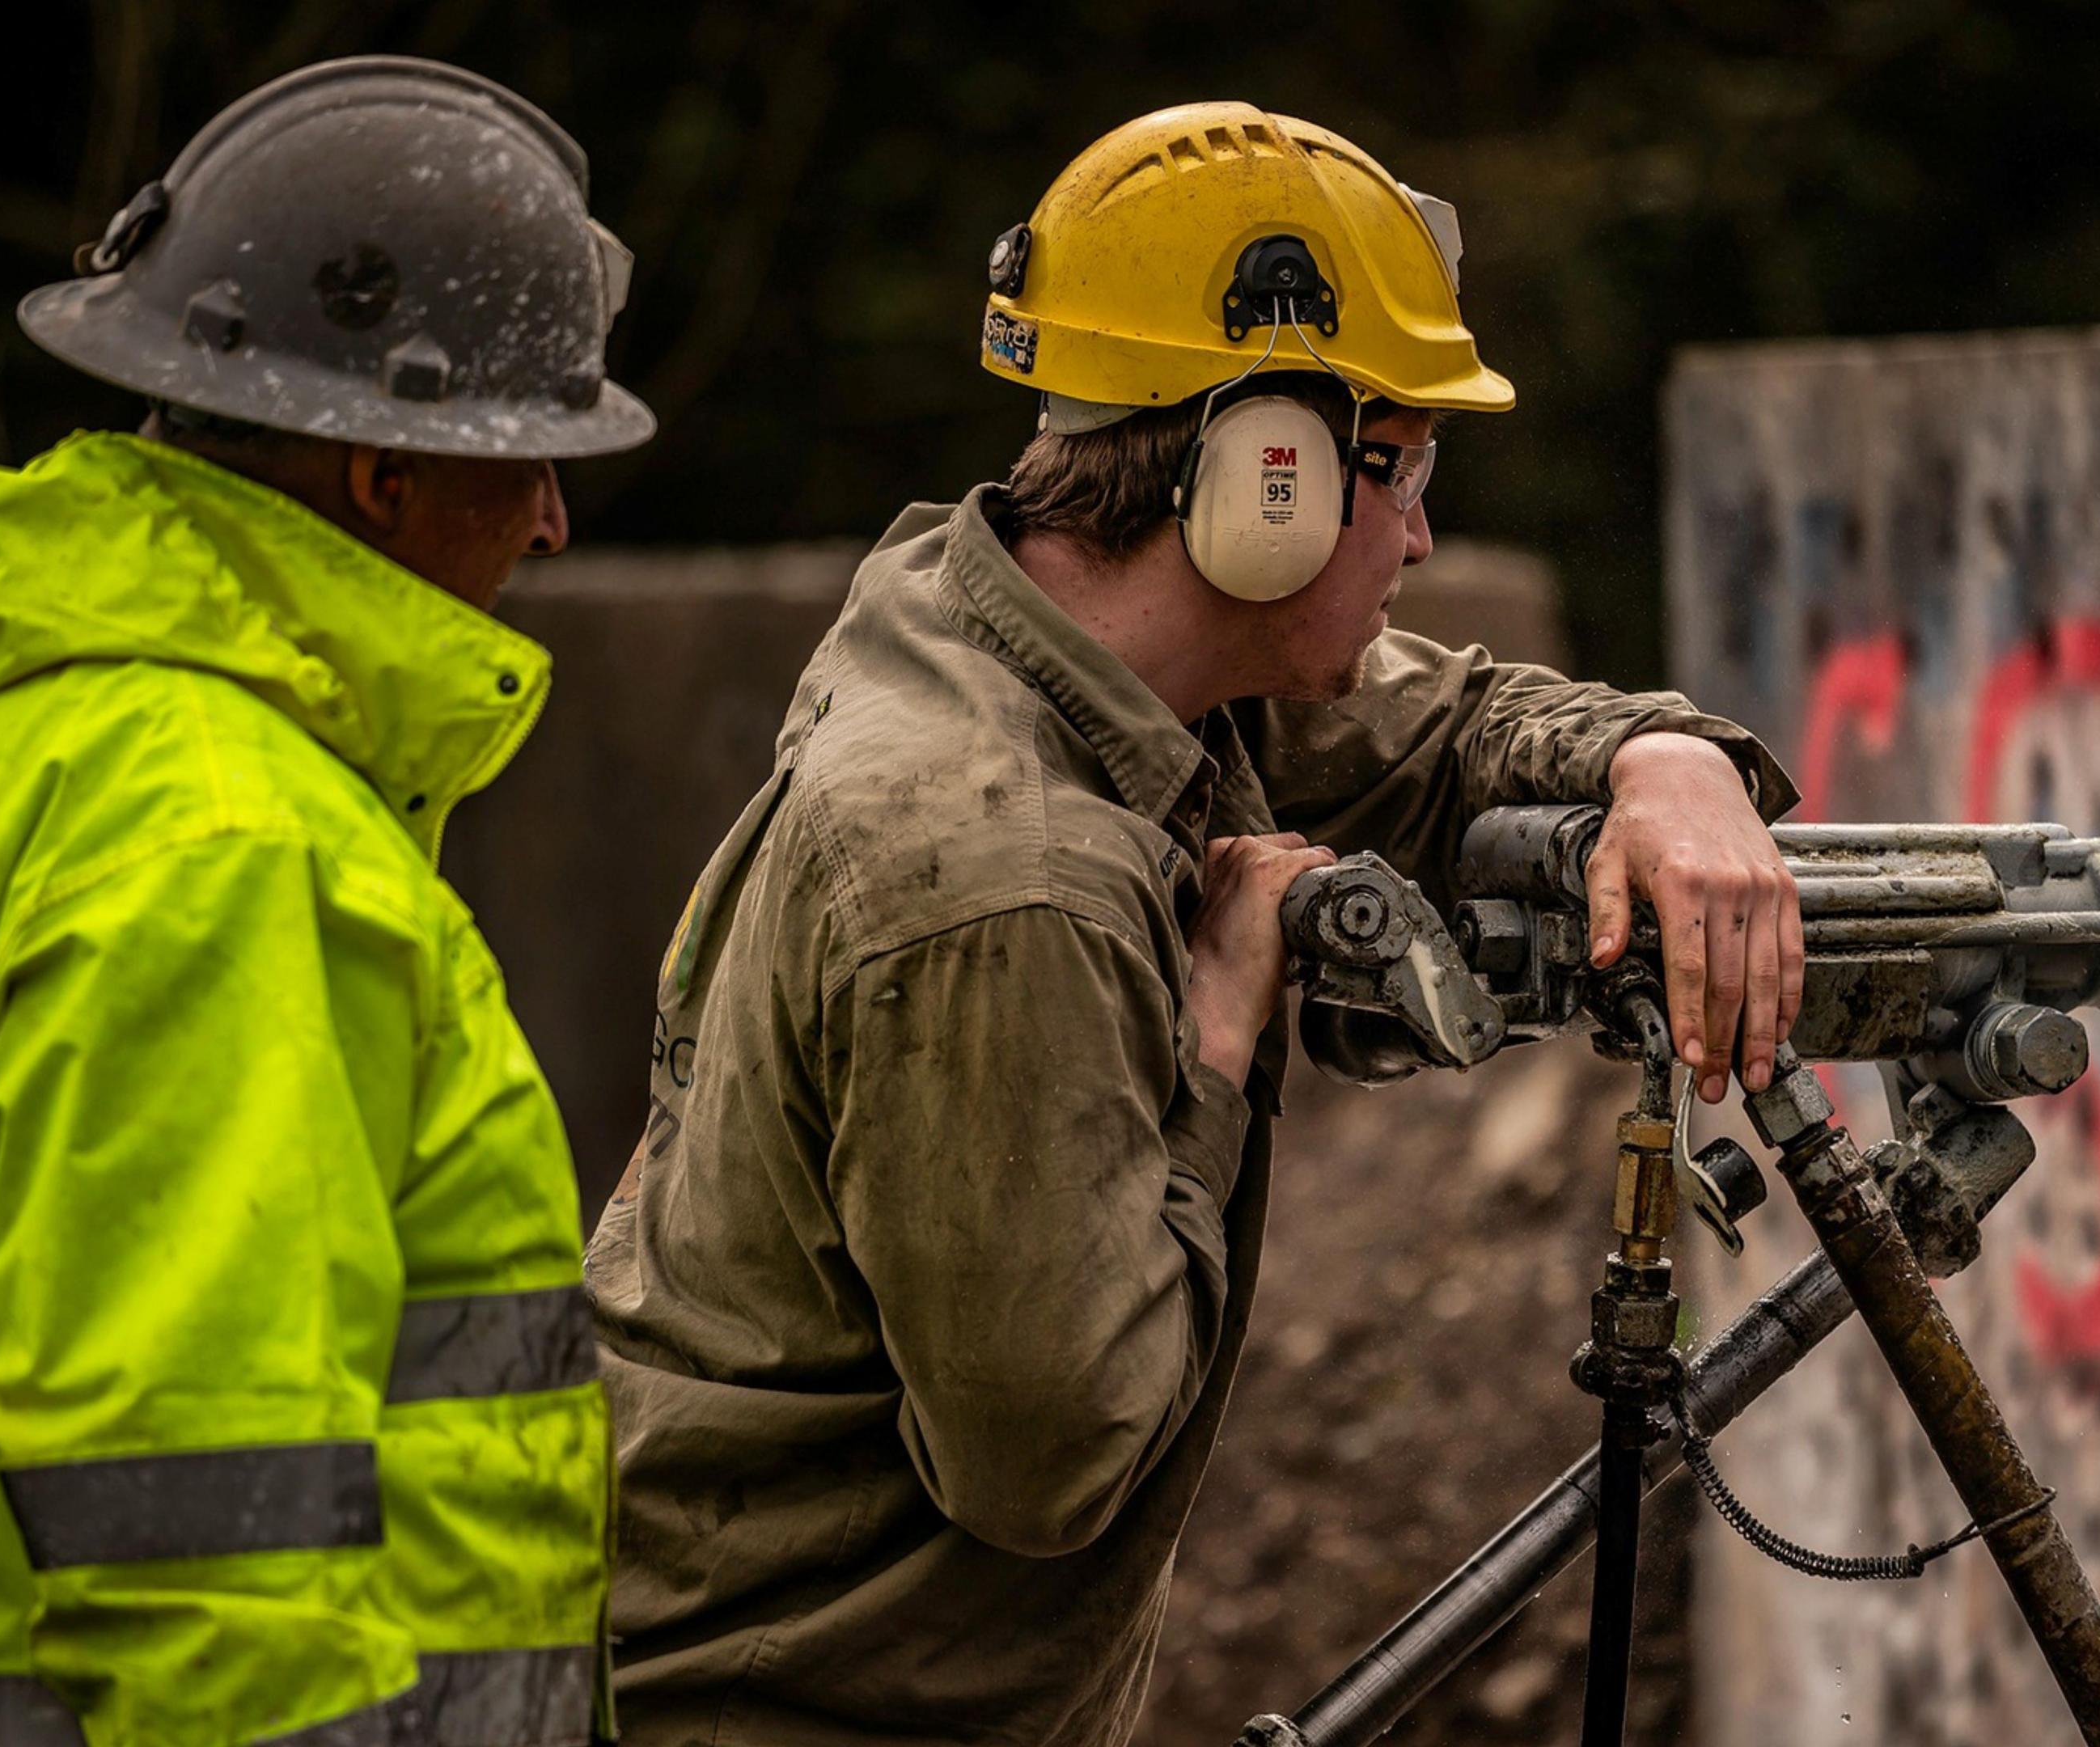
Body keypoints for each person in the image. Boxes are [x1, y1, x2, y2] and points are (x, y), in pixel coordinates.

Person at [587, 103, 1806, 1745]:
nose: (1427, 536)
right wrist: (1218, 1041)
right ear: (1268, 476)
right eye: (1410, 467)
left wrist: (1662, 760)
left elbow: (1430, 726)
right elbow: (1051, 1463)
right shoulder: (1001, 870)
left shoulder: (1001, 633)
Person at [0, 57, 653, 1746]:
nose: (550, 522)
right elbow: (198, 1527)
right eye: (525, 458)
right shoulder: (224, 832)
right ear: (382, 479)